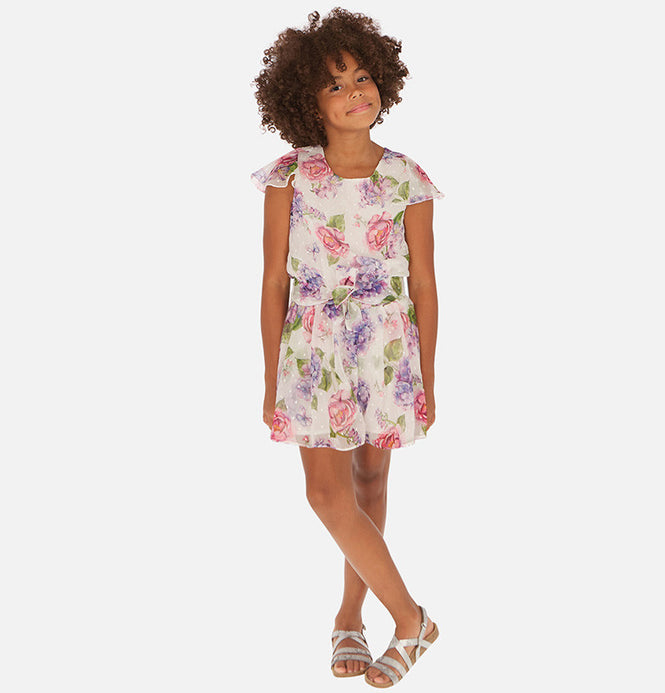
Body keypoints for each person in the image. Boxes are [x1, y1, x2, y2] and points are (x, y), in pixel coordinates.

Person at [251, 8, 443, 687]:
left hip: (386, 346)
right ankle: (412, 619)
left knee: (369, 483)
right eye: (334, 84)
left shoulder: (406, 178)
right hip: (312, 347)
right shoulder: (289, 177)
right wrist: (272, 376)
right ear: (306, 101)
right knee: (326, 493)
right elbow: (274, 280)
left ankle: (350, 614)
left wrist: (426, 376)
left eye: (362, 76)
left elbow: (423, 283)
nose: (355, 91)